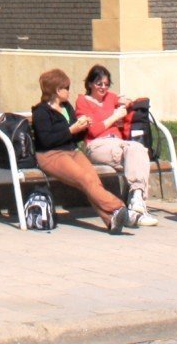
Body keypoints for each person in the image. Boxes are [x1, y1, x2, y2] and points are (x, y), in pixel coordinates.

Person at [30, 68, 136, 233]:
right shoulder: (41, 112)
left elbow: (74, 137)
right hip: (51, 155)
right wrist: (71, 130)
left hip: (72, 151)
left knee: (93, 180)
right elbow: (46, 140)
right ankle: (119, 208)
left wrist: (83, 127)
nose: (69, 91)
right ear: (57, 90)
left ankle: (112, 220)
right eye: (66, 88)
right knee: (84, 179)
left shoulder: (67, 107)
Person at [75, 64, 158, 226]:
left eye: (106, 84)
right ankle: (136, 206)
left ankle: (136, 202)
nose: (103, 88)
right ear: (90, 84)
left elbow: (127, 102)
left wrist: (125, 101)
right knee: (135, 150)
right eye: (99, 84)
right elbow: (92, 131)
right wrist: (114, 117)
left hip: (119, 144)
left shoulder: (111, 97)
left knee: (138, 149)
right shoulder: (83, 101)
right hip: (97, 145)